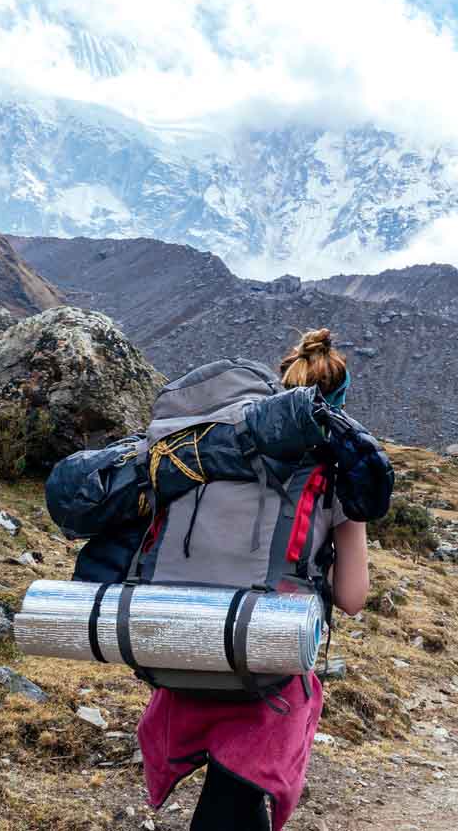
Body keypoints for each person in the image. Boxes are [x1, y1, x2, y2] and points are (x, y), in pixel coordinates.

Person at [137, 329, 371, 831]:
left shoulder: (208, 452)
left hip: (179, 642)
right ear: (339, 405)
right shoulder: (331, 475)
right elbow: (353, 598)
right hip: (267, 662)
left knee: (233, 800)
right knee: (233, 798)